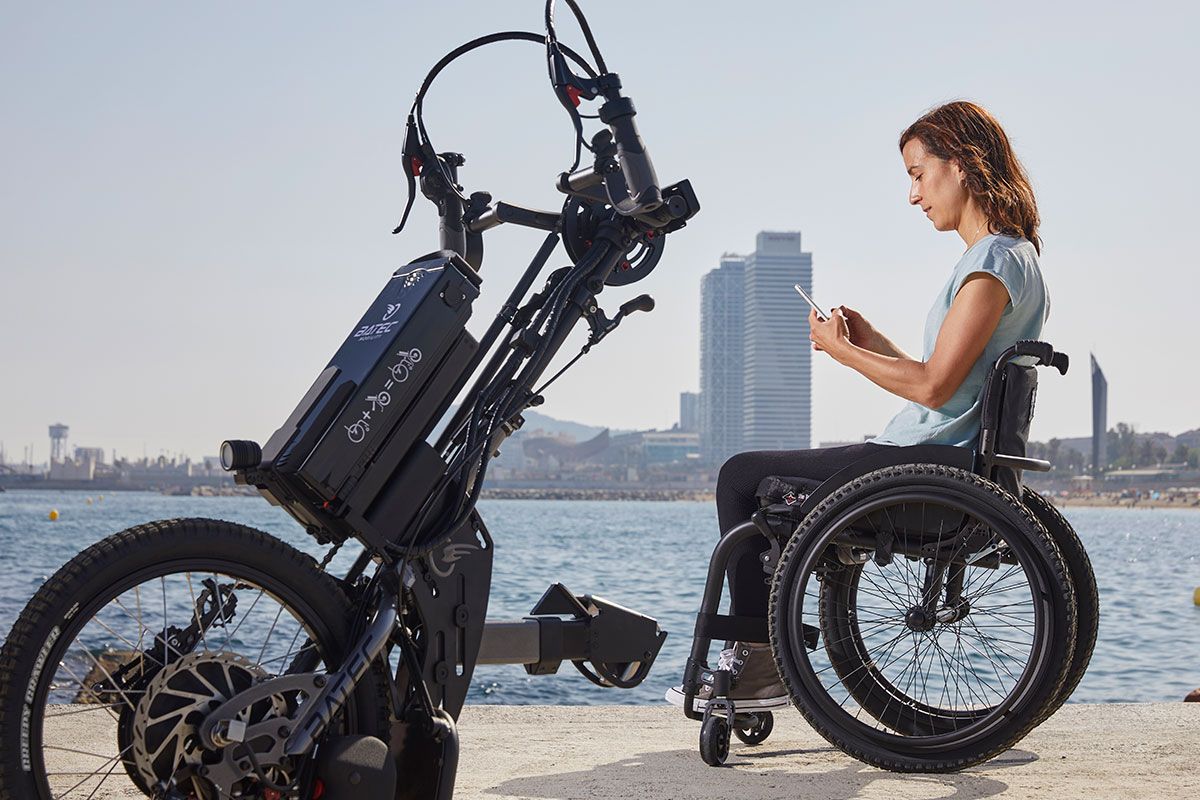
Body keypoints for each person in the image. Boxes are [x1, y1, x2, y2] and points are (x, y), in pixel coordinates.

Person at [667, 100, 1050, 709]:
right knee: (759, 480)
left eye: (918, 174)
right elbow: (952, 383)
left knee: (739, 478)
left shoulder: (993, 262)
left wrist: (841, 352)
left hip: (929, 463)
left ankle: (759, 663)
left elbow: (933, 388)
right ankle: (763, 656)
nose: (913, 195)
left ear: (962, 164)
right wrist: (872, 344)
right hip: (944, 455)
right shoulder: (1015, 258)